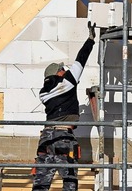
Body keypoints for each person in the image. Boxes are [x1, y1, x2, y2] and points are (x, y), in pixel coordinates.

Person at [32, 21, 96, 191]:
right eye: (63, 69)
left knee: (41, 182)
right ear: (58, 73)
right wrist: (90, 40)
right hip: (63, 137)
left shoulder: (43, 93)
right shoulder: (67, 83)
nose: (66, 70)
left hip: (46, 138)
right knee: (69, 182)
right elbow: (80, 60)